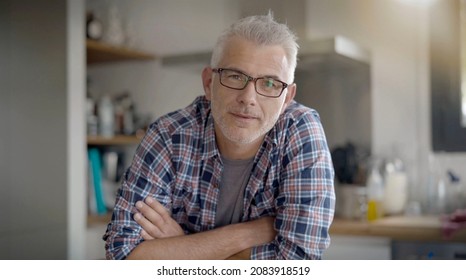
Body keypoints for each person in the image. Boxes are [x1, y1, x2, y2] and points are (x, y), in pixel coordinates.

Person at [103, 12, 335, 260]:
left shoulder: (300, 130)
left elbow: (297, 264)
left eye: (269, 83)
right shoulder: (169, 135)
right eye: (235, 76)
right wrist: (246, 234)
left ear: (287, 98)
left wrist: (183, 247)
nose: (248, 98)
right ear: (208, 83)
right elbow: (122, 255)